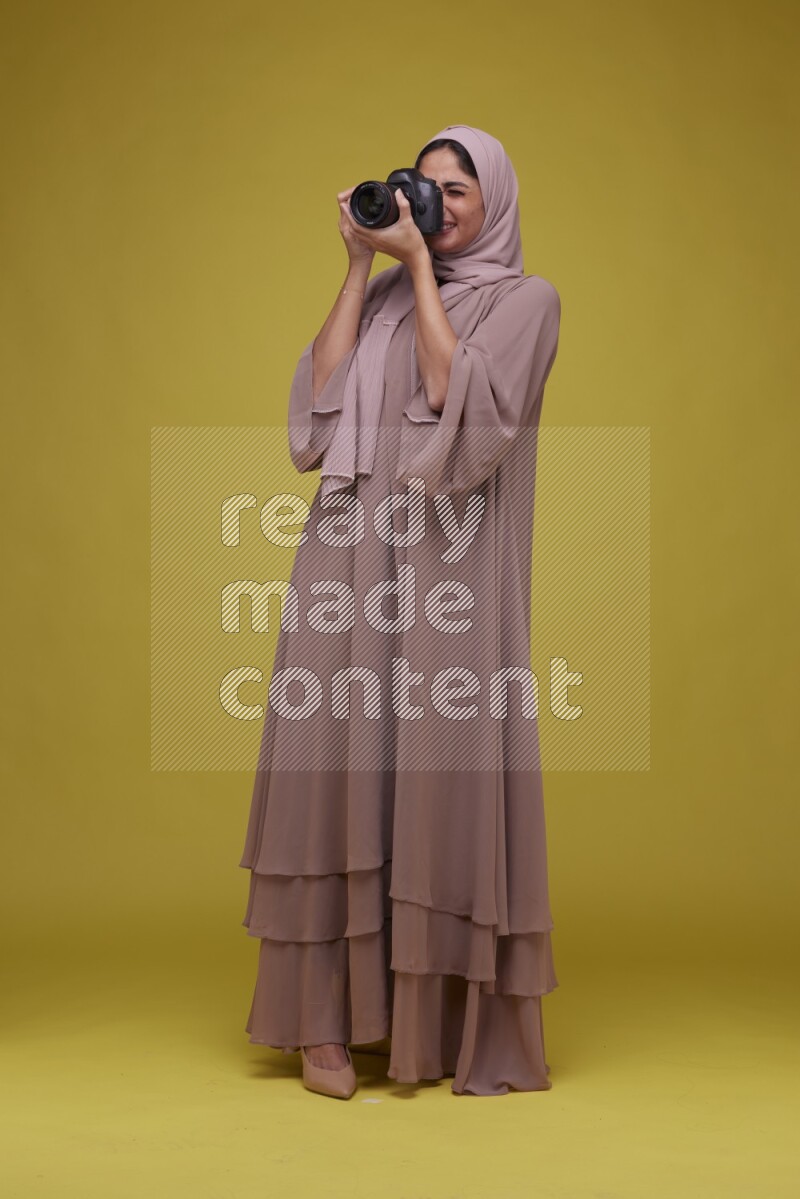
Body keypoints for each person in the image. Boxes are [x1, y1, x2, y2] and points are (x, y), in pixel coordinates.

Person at [239, 123, 562, 1099]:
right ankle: (322, 1021)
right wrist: (356, 267)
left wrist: (419, 269)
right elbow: (316, 415)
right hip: (344, 554)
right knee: (331, 767)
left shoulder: (523, 300)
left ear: (491, 201)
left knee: (436, 777)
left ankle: (431, 1022)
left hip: (449, 567)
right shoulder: (379, 293)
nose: (434, 205)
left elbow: (457, 408)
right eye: (421, 188)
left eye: (454, 191)